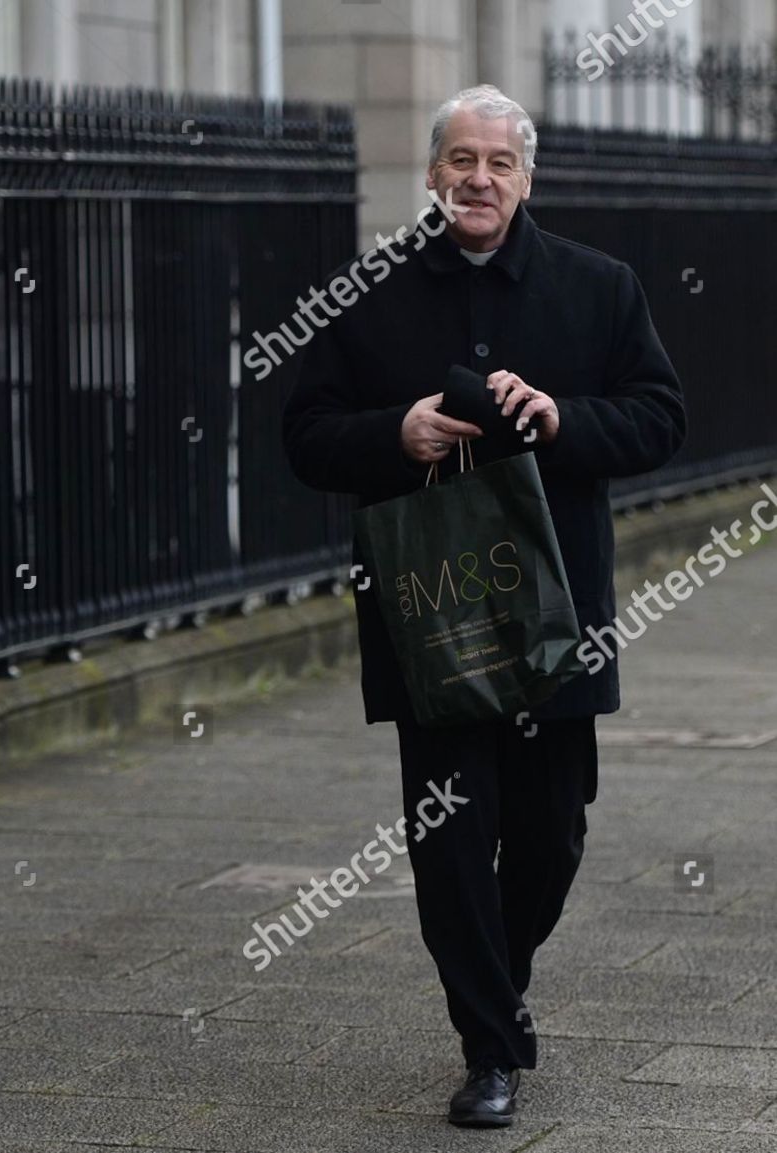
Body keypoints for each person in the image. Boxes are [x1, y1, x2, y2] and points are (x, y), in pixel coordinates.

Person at [281, 85, 686, 1128]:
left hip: (556, 612)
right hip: (432, 617)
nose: (477, 178)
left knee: (551, 834)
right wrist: (395, 434)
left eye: (498, 162)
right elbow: (303, 432)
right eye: (460, 159)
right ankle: (489, 1049)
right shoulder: (367, 297)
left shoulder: (600, 288)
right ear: (430, 174)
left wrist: (563, 419)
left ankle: (497, 987)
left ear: (525, 177)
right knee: (452, 842)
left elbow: (661, 418)